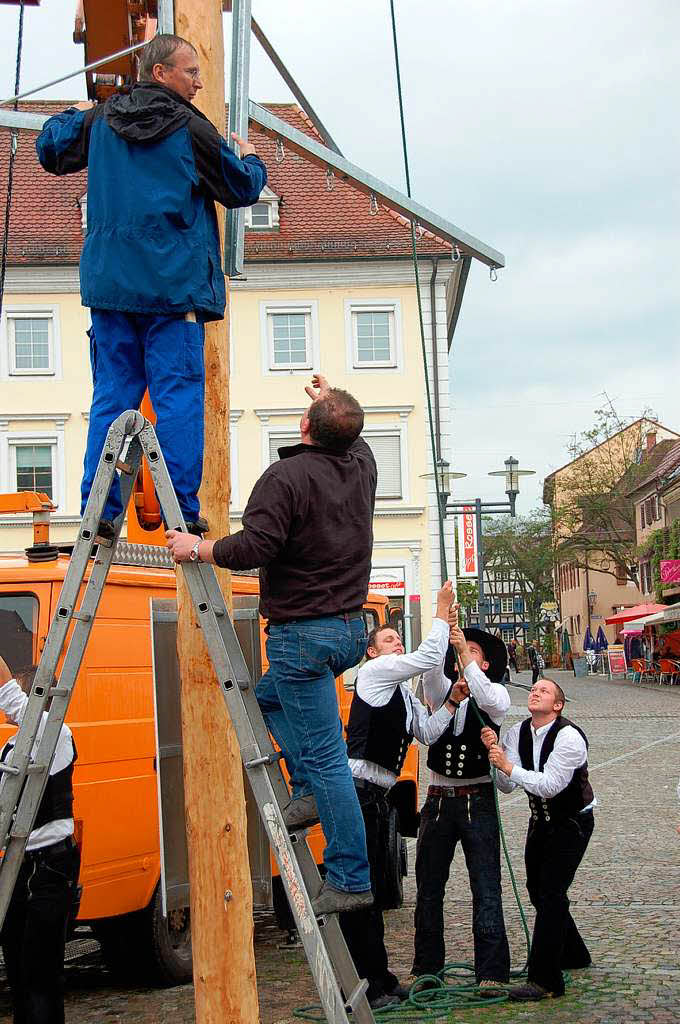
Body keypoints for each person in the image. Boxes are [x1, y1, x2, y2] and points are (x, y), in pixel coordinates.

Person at [36, 33, 267, 540]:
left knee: (113, 397)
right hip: (174, 291)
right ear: (160, 72)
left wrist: (72, 113)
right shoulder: (190, 128)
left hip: (112, 290)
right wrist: (251, 157)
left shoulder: (99, 122)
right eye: (191, 71)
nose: (199, 81)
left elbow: (50, 149)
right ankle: (179, 511)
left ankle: (98, 510)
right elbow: (241, 188)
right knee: (178, 398)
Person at [167, 374, 376, 915]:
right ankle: (305, 788)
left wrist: (199, 546)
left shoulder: (284, 477)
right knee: (267, 698)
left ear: (305, 426)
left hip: (301, 635)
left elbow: (255, 546)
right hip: (351, 629)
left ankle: (351, 877)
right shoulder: (362, 467)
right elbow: (357, 436)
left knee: (330, 759)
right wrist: (331, 401)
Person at [341, 583, 458, 1009]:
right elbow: (428, 657)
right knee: (362, 889)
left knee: (374, 889)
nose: (397, 643)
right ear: (372, 653)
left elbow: (424, 734)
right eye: (388, 639)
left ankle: (382, 978)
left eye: (397, 638)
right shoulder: (372, 674)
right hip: (359, 790)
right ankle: (367, 986)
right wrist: (442, 609)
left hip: (380, 795)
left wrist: (450, 704)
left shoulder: (403, 695)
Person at [412, 622, 511, 993]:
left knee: (486, 886)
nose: (463, 654)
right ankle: (427, 969)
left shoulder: (496, 695)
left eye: (473, 652)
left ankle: (492, 971)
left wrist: (463, 651)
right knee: (428, 887)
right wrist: (445, 630)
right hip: (439, 799)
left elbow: (485, 695)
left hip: (477, 799)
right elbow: (431, 670)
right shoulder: (442, 690)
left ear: (484, 664)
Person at [482, 677, 595, 1001]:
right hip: (541, 821)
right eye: (534, 689)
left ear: (557, 705)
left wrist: (507, 765)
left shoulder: (569, 737)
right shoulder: (518, 733)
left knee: (551, 894)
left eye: (544, 690)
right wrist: (496, 756)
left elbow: (550, 786)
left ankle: (546, 980)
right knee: (537, 890)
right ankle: (574, 953)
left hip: (573, 822)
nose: (535, 692)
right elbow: (507, 786)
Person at [0, 655, 80, 1024]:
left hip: (50, 864)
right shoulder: (11, 748)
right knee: (16, 968)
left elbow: (11, 698)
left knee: (41, 972)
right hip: (17, 864)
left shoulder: (57, 733)